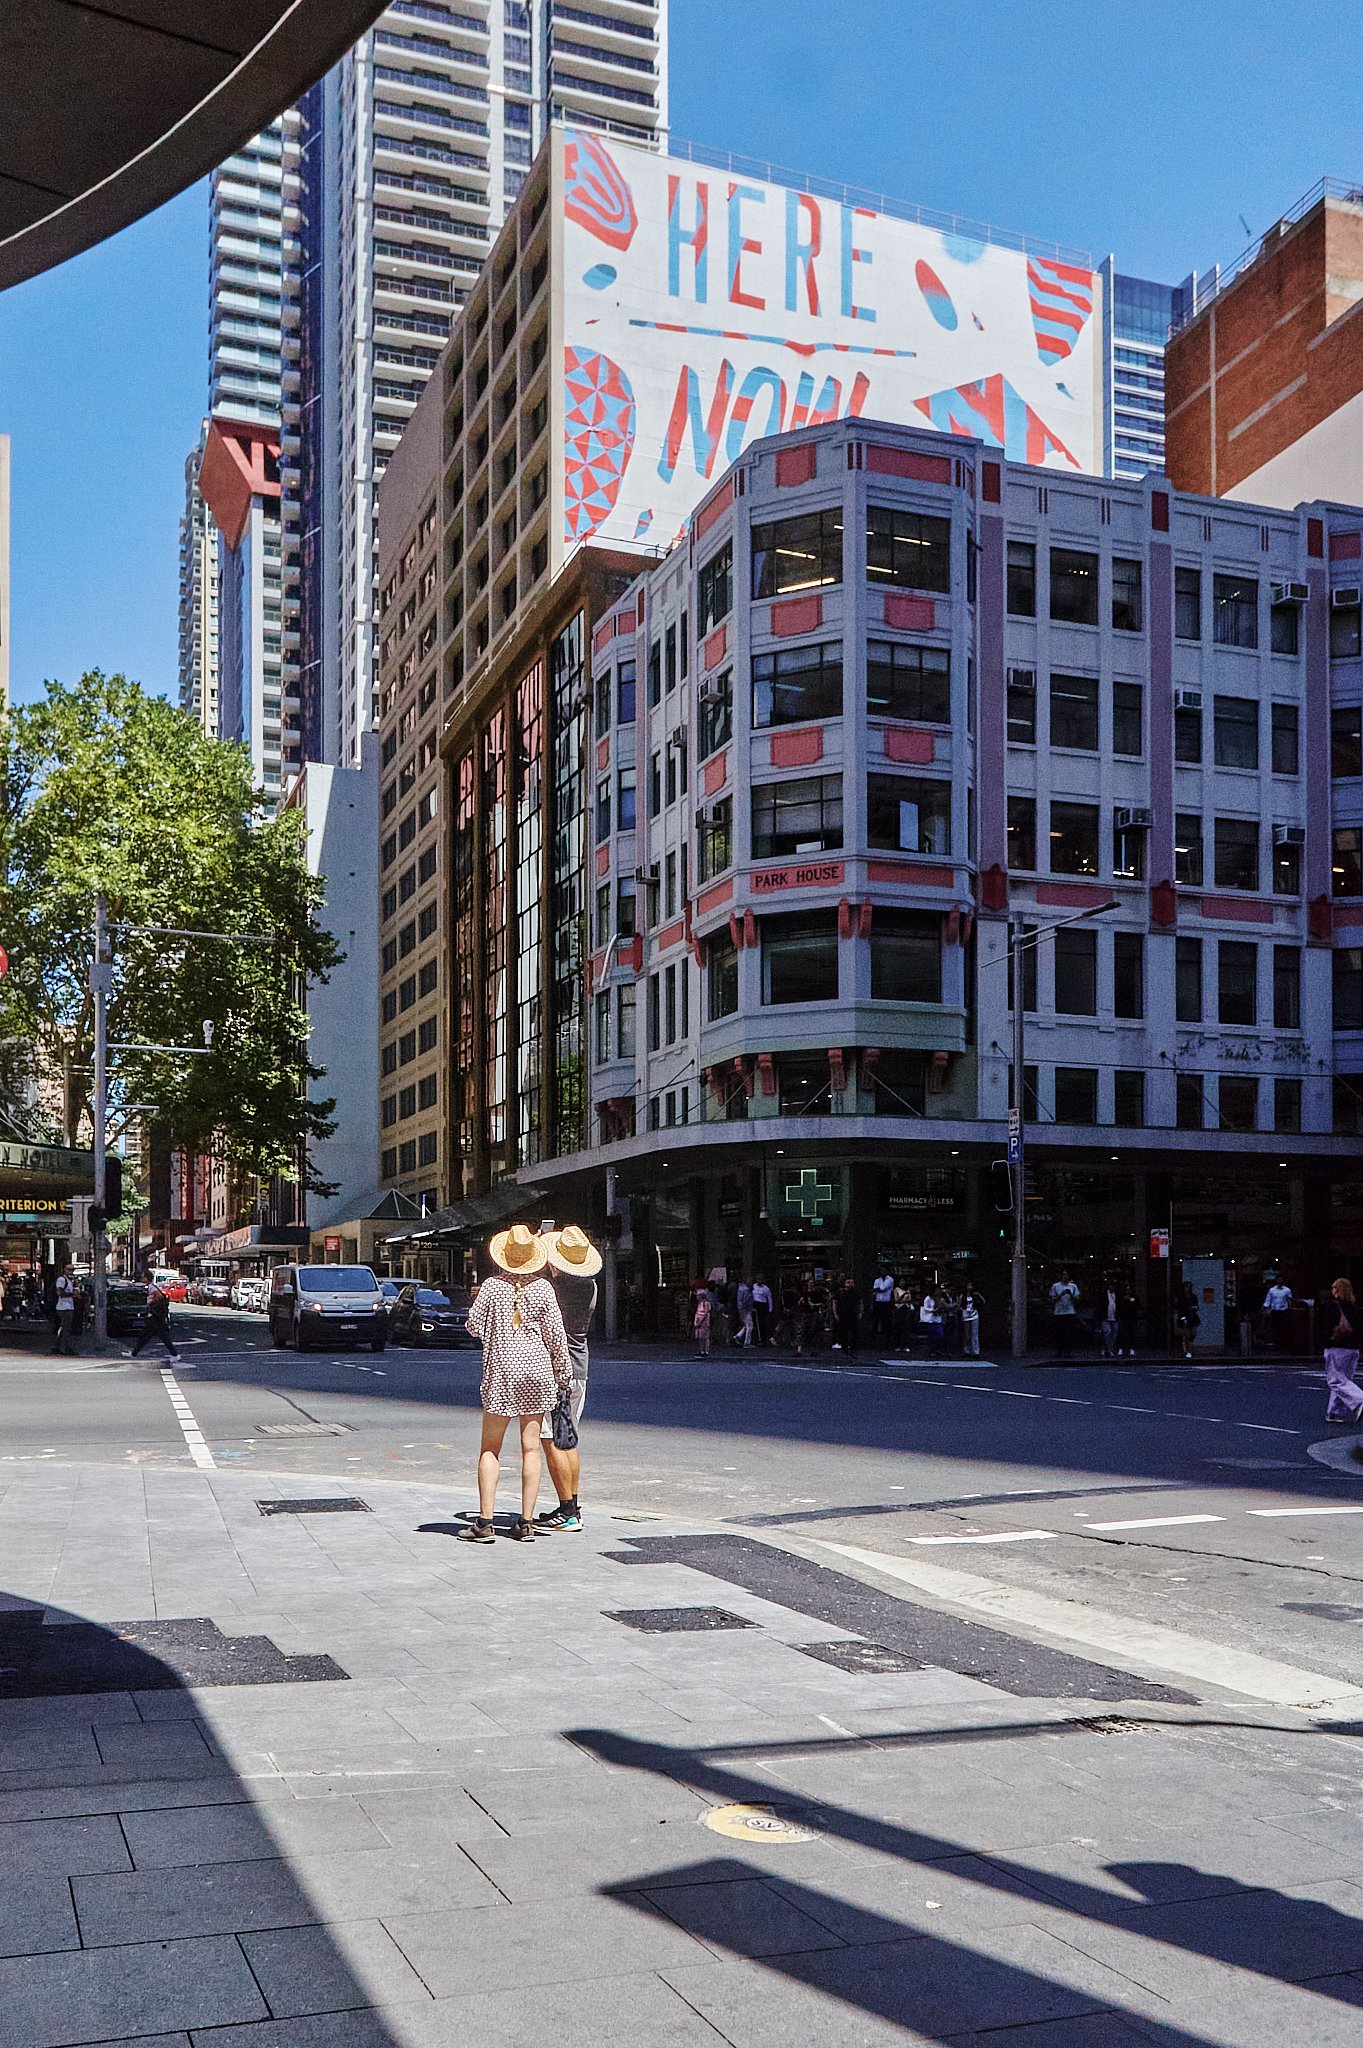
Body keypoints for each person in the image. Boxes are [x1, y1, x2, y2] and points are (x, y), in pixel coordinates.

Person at [460, 1224, 571, 1544]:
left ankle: (484, 1523)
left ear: (503, 1257)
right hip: (537, 1375)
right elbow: (556, 1338)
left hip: (501, 1375)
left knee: (490, 1449)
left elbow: (473, 1327)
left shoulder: (491, 1288)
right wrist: (563, 1374)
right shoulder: (544, 1289)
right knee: (531, 1448)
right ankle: (525, 1523)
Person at [536, 1224, 601, 1534]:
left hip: (558, 1370)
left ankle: (568, 1511)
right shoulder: (589, 1286)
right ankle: (572, 1504)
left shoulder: (554, 1288)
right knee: (568, 1438)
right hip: (580, 1367)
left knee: (551, 1441)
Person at [1323, 1277, 1363, 1422]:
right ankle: (1334, 1412)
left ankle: (1359, 1399)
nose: (1332, 1290)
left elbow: (1327, 1326)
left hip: (1337, 1346)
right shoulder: (1353, 1307)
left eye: (1334, 1288)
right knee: (1345, 1380)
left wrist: (1326, 1340)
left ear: (1339, 1290)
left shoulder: (1334, 1306)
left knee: (1335, 1380)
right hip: (1353, 1348)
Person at [130, 1277, 177, 1359]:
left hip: (156, 1316)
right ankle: (134, 1353)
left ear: (147, 1278)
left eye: (144, 1277)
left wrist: (151, 1304)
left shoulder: (152, 1287)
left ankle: (175, 1354)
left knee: (159, 1336)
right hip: (155, 1315)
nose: (142, 1279)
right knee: (146, 1335)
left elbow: (159, 1297)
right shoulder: (151, 1286)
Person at [1264, 1277, 1293, 1354]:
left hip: (1283, 1311)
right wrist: (1266, 1308)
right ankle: (1276, 1345)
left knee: (1283, 1329)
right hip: (1275, 1311)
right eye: (1279, 1281)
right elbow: (1268, 1299)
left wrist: (1290, 1308)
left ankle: (1283, 1345)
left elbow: (1289, 1300)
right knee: (1275, 1329)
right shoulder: (1272, 1290)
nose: (1280, 1282)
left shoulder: (1287, 1290)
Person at [51, 1268, 76, 1355]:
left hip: (68, 1306)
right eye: (69, 1269)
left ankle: (57, 1346)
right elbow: (60, 1293)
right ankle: (64, 1347)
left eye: (73, 1269)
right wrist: (72, 1294)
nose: (71, 1271)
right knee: (66, 1328)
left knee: (64, 1328)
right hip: (64, 1307)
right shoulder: (62, 1280)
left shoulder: (70, 1281)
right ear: (65, 1270)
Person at [1174, 1280, 1200, 1360]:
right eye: (1186, 1287)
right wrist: (1183, 1318)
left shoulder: (1193, 1297)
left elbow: (1196, 1306)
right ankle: (1187, 1350)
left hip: (1192, 1317)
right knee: (1187, 1334)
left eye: (1189, 1287)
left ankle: (1189, 1346)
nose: (1188, 1288)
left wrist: (1194, 1308)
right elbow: (1179, 1309)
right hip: (1184, 1316)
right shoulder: (1181, 1298)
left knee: (1193, 1333)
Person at [834, 1275, 859, 1357]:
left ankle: (853, 1349)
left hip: (853, 1314)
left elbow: (860, 1302)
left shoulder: (856, 1293)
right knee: (843, 1333)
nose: (850, 1284)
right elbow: (835, 1302)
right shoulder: (840, 1292)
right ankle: (844, 1350)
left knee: (854, 1332)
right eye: (848, 1282)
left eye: (852, 1282)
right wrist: (835, 1313)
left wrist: (860, 1312)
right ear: (845, 1284)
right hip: (843, 1314)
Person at [871, 1265, 895, 1347]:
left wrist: (877, 1290)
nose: (882, 1272)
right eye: (881, 1271)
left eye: (884, 1270)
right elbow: (875, 1290)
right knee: (876, 1321)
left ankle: (887, 1341)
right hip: (878, 1302)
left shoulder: (890, 1279)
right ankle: (874, 1340)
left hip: (886, 1303)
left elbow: (882, 1288)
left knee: (886, 1322)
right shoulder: (877, 1280)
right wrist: (877, 1290)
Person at [1116, 1282, 1140, 1358]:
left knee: (1131, 1334)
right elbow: (1119, 1307)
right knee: (1122, 1334)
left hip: (1132, 1318)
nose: (1128, 1291)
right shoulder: (1121, 1297)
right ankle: (1121, 1348)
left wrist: (1130, 1300)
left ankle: (1131, 1348)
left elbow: (1138, 1305)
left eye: (1129, 1290)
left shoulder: (1134, 1297)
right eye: (1126, 1290)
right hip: (1123, 1318)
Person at [1098, 1276, 1119, 1360]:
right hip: (1105, 1316)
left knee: (1114, 1334)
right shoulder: (1104, 1294)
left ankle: (1109, 1348)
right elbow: (1101, 1305)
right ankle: (1107, 1348)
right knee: (1107, 1332)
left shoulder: (1116, 1295)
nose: (1112, 1287)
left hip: (1114, 1316)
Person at [751, 1274, 773, 1347]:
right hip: (755, 1304)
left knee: (762, 1324)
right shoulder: (753, 1286)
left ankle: (763, 1340)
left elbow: (769, 1299)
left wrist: (770, 1309)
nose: (759, 1281)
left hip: (762, 1306)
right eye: (758, 1279)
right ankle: (755, 1339)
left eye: (761, 1279)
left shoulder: (766, 1288)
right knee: (754, 1323)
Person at [960, 1285, 983, 1356]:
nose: (970, 1287)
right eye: (968, 1285)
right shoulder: (963, 1295)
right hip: (965, 1315)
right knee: (967, 1334)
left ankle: (976, 1351)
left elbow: (983, 1301)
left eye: (971, 1285)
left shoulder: (975, 1295)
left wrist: (978, 1297)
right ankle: (967, 1350)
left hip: (974, 1315)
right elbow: (960, 1305)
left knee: (975, 1333)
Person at [693, 1281, 713, 1357]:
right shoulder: (699, 1303)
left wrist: (699, 1321)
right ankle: (701, 1350)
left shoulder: (706, 1303)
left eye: (698, 1295)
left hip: (704, 1322)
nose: (696, 1297)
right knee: (700, 1337)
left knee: (706, 1337)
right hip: (699, 1321)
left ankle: (706, 1351)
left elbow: (706, 1313)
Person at [734, 1276, 754, 1347]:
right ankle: (747, 1342)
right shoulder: (746, 1290)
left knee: (746, 1325)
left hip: (741, 1308)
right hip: (745, 1309)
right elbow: (746, 1301)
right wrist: (751, 1307)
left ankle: (738, 1336)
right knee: (750, 1325)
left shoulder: (740, 1289)